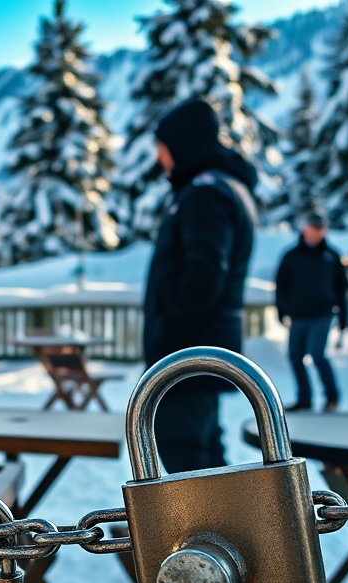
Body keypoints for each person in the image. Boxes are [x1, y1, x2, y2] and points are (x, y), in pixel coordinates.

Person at [141, 98, 259, 472]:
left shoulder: (205, 193)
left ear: (182, 143)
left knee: (185, 455)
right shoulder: (221, 188)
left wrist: (169, 325)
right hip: (199, 352)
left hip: (187, 355)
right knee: (204, 455)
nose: (160, 159)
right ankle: (225, 529)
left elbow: (205, 273)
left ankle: (203, 530)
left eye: (162, 148)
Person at [275, 212, 348, 412]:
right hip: (299, 316)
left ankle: (332, 397)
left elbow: (342, 288)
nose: (317, 233)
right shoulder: (291, 256)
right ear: (306, 228)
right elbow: (281, 285)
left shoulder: (332, 256)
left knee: (317, 354)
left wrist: (344, 316)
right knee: (295, 356)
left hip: (323, 314)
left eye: (321, 229)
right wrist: (281, 310)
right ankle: (304, 398)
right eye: (313, 228)